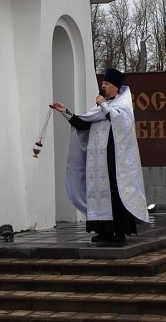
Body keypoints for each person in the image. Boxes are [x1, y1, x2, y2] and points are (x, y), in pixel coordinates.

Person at [52, 68, 149, 243]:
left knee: (114, 194)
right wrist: (65, 111)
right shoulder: (99, 109)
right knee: (97, 194)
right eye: (102, 83)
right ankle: (103, 231)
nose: (102, 86)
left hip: (115, 161)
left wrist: (104, 104)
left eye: (106, 83)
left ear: (116, 88)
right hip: (96, 162)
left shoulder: (122, 107)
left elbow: (117, 121)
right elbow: (83, 124)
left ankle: (119, 232)